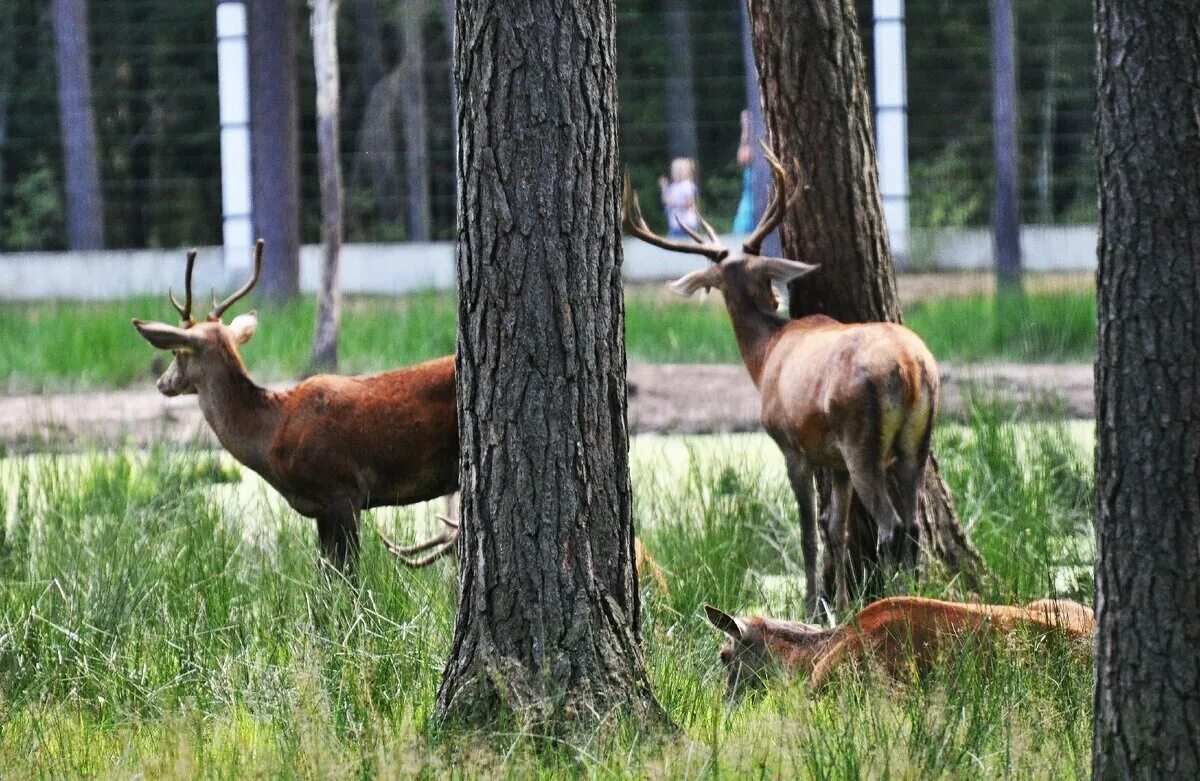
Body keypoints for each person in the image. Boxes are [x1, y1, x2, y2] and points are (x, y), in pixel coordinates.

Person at [659, 157, 701, 236]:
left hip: (687, 224)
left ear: (688, 171)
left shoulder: (687, 185)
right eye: (676, 170)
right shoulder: (673, 186)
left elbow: (689, 203)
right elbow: (665, 201)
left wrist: (673, 203)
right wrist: (664, 188)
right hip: (675, 224)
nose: (678, 172)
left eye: (681, 170)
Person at [732, 110, 756, 234]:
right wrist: (746, 131)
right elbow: (743, 158)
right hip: (750, 190)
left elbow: (747, 156)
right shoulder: (747, 139)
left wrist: (747, 129)